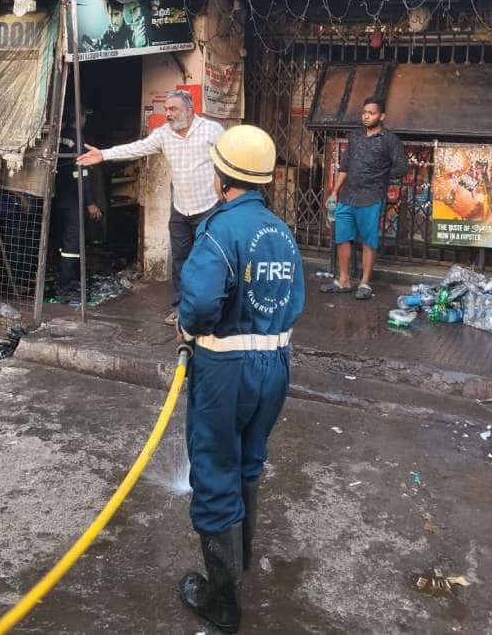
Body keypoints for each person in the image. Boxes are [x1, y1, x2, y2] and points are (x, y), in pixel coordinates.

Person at [173, 124, 304, 634]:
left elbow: (202, 305)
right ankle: (240, 563)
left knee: (214, 472)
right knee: (248, 461)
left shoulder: (219, 230)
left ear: (223, 173)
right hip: (275, 367)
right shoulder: (281, 232)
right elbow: (295, 304)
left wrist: (188, 326)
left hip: (225, 370)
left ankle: (223, 601)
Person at [77, 90, 223, 325]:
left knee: (210, 261)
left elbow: (227, 161)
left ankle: (213, 309)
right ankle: (181, 309)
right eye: (166, 109)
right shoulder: (165, 134)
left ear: (189, 109)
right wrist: (103, 155)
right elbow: (137, 148)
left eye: (173, 109)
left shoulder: (212, 130)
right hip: (181, 209)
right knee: (180, 262)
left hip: (209, 208)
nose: (168, 114)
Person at [323, 96, 409, 300]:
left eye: (371, 113)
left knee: (369, 241)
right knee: (342, 238)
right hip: (347, 197)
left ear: (382, 116)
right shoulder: (355, 137)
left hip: (371, 197)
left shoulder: (389, 140)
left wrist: (381, 175)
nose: (366, 116)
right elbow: (344, 167)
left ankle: (364, 283)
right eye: (364, 112)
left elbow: (402, 167)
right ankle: (343, 280)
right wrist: (334, 191)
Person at [53, 105, 105, 304]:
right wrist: (90, 203)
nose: (86, 121)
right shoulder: (77, 138)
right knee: (72, 244)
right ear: (80, 117)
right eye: (85, 117)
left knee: (62, 241)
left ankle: (63, 280)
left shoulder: (60, 135)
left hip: (59, 197)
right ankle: (66, 287)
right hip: (73, 198)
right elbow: (80, 174)